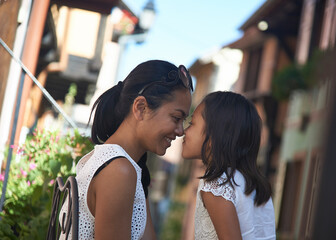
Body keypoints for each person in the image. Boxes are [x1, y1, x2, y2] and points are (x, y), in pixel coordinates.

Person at [61, 60, 193, 240]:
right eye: (176, 118)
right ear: (141, 108)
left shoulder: (124, 164)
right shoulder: (119, 171)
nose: (180, 131)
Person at [182, 91, 276, 240]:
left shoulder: (217, 186)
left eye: (191, 123)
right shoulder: (253, 185)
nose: (183, 131)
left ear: (213, 136)